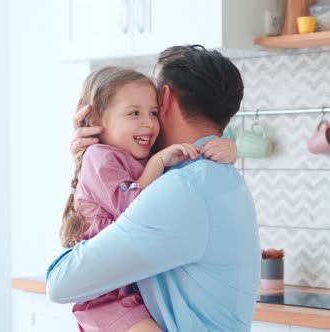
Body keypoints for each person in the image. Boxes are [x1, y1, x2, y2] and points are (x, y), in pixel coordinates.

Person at [47, 45, 261, 332]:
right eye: (133, 112)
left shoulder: (181, 187)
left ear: (166, 99)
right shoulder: (216, 175)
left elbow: (61, 284)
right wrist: (90, 160)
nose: (147, 122)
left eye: (150, 108)